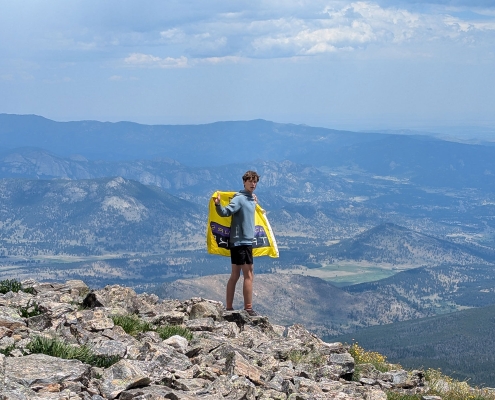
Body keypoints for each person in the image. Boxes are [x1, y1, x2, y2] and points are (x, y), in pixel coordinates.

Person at [214, 170, 260, 316]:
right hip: (241, 242)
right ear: (244, 182)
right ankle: (248, 308)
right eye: (250, 181)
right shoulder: (239, 199)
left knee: (235, 274)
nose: (253, 184)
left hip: (241, 241)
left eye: (255, 181)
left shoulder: (250, 198)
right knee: (249, 274)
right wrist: (218, 205)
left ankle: (229, 307)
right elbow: (226, 212)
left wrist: (254, 202)